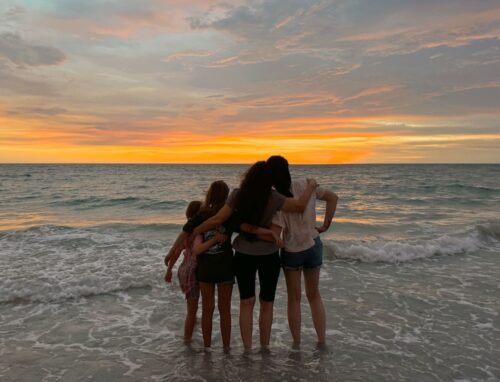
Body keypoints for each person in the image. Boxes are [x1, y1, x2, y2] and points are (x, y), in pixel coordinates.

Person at [190, 161, 318, 353]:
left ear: (249, 176)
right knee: (267, 303)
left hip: (243, 255)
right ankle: (264, 349)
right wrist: (311, 186)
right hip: (269, 256)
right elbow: (300, 206)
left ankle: (248, 350)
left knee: (246, 302)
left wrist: (196, 229)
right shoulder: (274, 197)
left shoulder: (237, 195)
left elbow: (218, 219)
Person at [267, 155, 338, 349]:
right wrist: (326, 224)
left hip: (292, 251)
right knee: (314, 295)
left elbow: (277, 235)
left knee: (294, 299)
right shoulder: (306, 183)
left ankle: (296, 344)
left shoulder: (277, 200)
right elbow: (333, 197)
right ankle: (322, 341)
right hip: (313, 244)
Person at [181, 180, 235, 353]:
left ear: (210, 194)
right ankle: (226, 348)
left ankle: (207, 347)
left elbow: (187, 231)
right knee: (225, 310)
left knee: (207, 309)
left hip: (206, 267)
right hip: (225, 264)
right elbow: (246, 228)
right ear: (227, 196)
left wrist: (173, 253)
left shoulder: (201, 214)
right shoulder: (231, 213)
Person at [165, 200, 203, 342]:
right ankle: (187, 341)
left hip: (183, 271)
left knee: (192, 306)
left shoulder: (187, 234)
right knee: (191, 312)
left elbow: (175, 252)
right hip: (191, 273)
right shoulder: (198, 234)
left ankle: (193, 327)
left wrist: (169, 270)